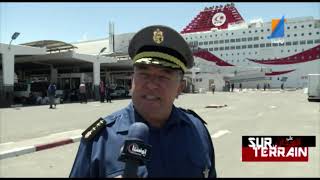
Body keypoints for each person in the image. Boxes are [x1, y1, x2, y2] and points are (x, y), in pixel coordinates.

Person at [69, 25, 217, 178]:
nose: (152, 84)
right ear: (132, 81)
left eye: (163, 76)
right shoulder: (99, 140)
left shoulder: (198, 131)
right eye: (144, 73)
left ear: (180, 87)